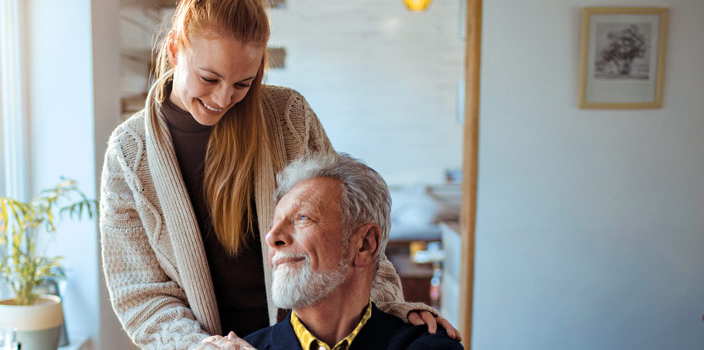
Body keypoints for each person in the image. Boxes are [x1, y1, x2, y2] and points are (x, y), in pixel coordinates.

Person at [99, 0, 459, 348]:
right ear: (176, 49)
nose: (223, 99)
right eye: (209, 78)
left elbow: (348, 224)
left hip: (310, 341)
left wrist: (390, 308)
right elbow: (140, 294)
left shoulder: (289, 116)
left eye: (243, 83)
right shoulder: (128, 156)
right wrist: (198, 347)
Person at [198, 154, 462, 350]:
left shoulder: (430, 345)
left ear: (365, 244)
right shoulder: (248, 346)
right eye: (273, 224)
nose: (272, 237)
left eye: (302, 218)